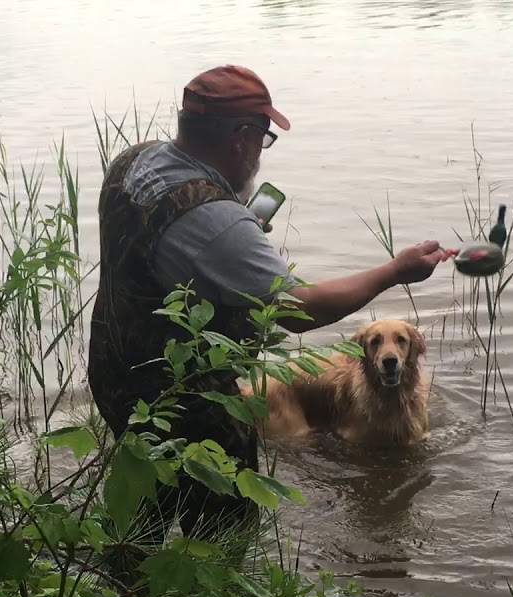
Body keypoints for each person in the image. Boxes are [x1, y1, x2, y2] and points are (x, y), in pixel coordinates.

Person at [87, 64, 454, 542]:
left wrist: (231, 237)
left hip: (114, 371)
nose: (261, 153)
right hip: (186, 398)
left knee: (141, 515)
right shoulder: (215, 222)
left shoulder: (134, 162)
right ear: (241, 137)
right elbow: (301, 310)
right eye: (264, 139)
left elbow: (166, 254)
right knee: (226, 529)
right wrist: (396, 271)